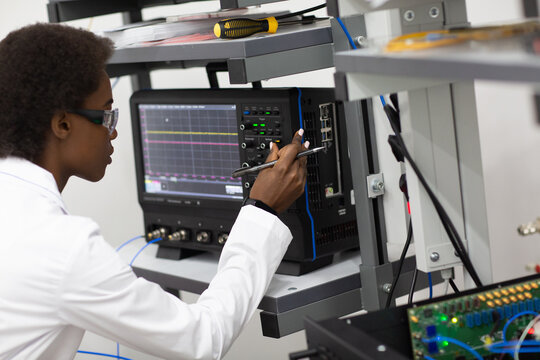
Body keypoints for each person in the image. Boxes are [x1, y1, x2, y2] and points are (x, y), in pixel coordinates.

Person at [0, 23, 308, 359]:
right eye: (106, 115)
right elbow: (202, 339)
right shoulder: (60, 248)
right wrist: (262, 209)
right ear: (62, 124)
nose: (113, 133)